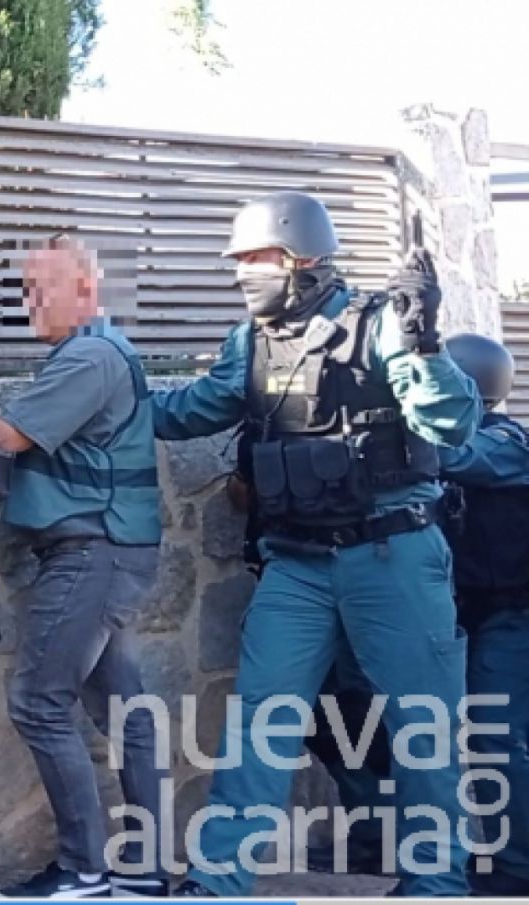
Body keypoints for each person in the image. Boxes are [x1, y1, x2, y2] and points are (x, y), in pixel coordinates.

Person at [153, 192, 479, 898]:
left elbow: (452, 424)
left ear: (302, 257)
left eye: (256, 258)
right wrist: (109, 395)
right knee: (259, 724)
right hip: (296, 564)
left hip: (391, 553)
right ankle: (217, 880)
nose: (242, 273)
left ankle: (436, 883)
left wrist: (424, 343)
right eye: (239, 260)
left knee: (422, 728)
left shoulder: (379, 323)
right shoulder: (252, 341)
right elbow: (191, 409)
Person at [0, 236, 168, 898]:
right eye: (25, 288)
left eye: (44, 286)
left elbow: (9, 436)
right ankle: (144, 871)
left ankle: (84, 871)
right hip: (105, 549)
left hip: (93, 552)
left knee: (40, 703)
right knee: (124, 710)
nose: (31, 301)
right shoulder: (94, 351)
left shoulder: (91, 355)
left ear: (87, 287)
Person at [435, 332, 529, 897]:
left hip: (512, 616)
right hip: (474, 612)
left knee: (497, 734)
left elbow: (458, 458)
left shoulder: (507, 443)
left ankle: (517, 864)